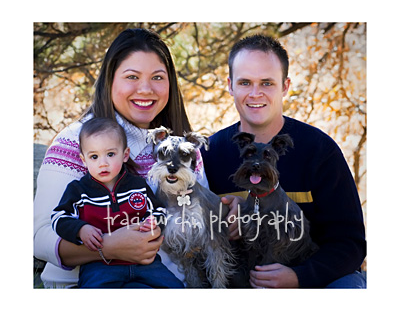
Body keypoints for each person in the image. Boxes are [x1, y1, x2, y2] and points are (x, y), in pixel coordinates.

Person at [34, 28, 208, 288]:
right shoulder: (74, 142)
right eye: (132, 77)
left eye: (157, 77)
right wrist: (107, 247)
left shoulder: (182, 149)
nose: (146, 88)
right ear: (110, 80)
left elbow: (200, 220)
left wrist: (224, 215)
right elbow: (39, 237)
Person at [201, 34, 366, 288]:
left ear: (285, 86)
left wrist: (300, 276)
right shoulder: (210, 153)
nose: (255, 93)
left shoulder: (319, 150)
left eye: (267, 83)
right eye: (245, 82)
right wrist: (222, 218)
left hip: (317, 281)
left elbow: (349, 242)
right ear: (230, 85)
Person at [51, 117, 183, 288]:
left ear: (125, 155)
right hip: (100, 265)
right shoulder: (79, 190)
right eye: (94, 157)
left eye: (111, 154)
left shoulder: (138, 186)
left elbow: (159, 210)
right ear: (84, 160)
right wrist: (80, 230)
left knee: (175, 287)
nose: (103, 163)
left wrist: (153, 222)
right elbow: (59, 217)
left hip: (145, 263)